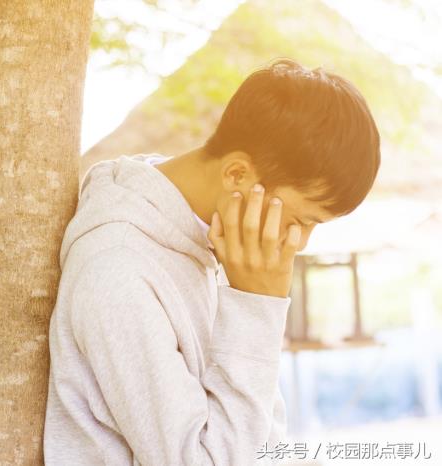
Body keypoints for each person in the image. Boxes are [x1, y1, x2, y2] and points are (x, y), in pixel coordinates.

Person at [44, 59, 380, 465]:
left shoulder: (208, 245)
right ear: (237, 175)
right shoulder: (117, 271)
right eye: (301, 219)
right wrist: (258, 306)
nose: (300, 241)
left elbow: (262, 440)